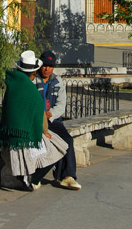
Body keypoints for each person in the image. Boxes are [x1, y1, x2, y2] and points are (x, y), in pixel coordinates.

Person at [0, 50, 68, 191]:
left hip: (8, 132)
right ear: (34, 73)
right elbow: (40, 116)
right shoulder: (31, 90)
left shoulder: (12, 85)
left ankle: (27, 177)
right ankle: (32, 178)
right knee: (60, 146)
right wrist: (45, 132)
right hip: (26, 134)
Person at [34, 50, 81, 190]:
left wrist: (51, 114)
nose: (47, 69)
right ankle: (34, 176)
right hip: (36, 120)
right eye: (44, 65)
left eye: (50, 66)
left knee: (66, 140)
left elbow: (61, 104)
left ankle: (67, 176)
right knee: (43, 142)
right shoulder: (33, 80)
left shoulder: (57, 81)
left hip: (52, 120)